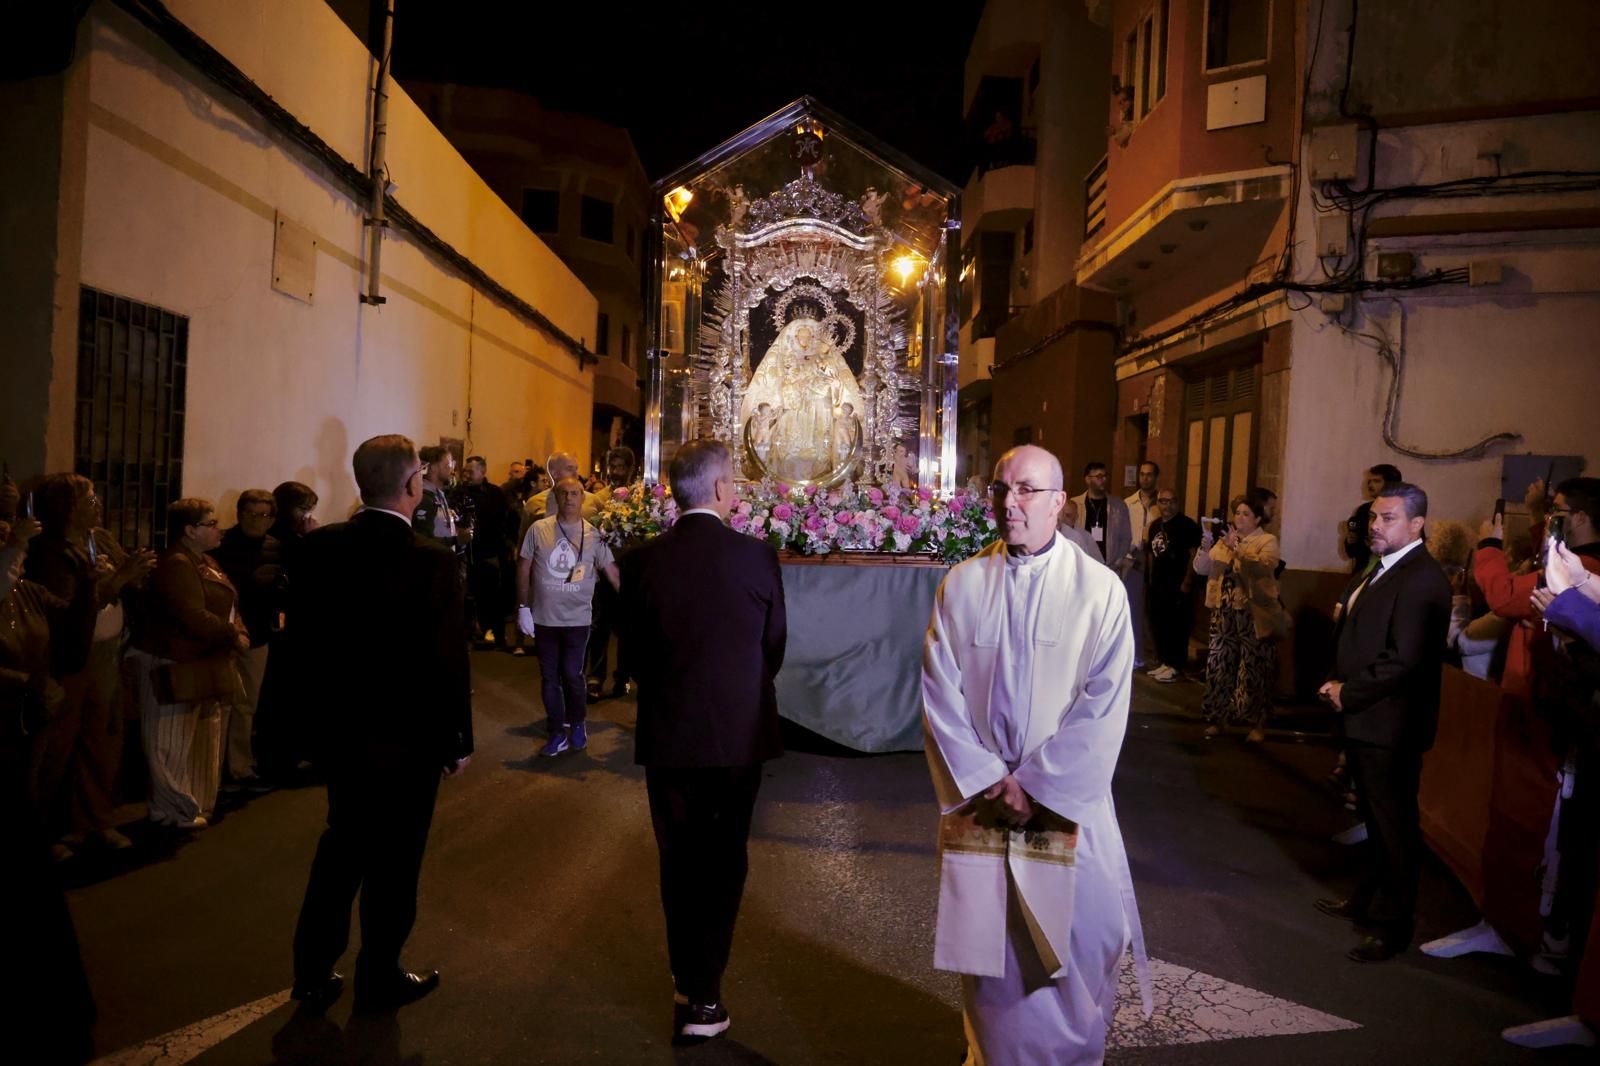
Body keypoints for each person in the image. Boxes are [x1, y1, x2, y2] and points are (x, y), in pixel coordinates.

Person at [923, 444, 1148, 1065]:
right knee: (995, 958)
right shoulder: (963, 583)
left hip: (1063, 802)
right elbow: (939, 693)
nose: (1008, 502)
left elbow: (1104, 704)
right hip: (987, 803)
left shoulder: (1099, 592)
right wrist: (990, 780)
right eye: (1000, 489)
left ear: (1058, 502)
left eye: (1025, 490)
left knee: (1081, 939)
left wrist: (1037, 785)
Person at [291, 434, 473, 1014]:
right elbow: (447, 657)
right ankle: (379, 973)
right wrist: (457, 739)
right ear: (412, 486)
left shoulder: (321, 549)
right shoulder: (431, 561)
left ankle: (312, 971)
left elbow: (303, 647)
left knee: (341, 847)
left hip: (342, 733)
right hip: (410, 739)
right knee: (395, 862)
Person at [618, 440, 787, 1044]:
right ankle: (706, 996)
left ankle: (686, 976)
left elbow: (631, 653)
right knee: (723, 860)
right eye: (734, 484)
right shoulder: (757, 557)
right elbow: (775, 647)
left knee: (678, 858)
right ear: (719, 490)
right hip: (738, 733)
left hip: (669, 732)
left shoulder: (641, 561)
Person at [1316, 482, 1452, 962]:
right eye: (1374, 516)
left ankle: (1395, 926)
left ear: (1416, 525)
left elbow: (1405, 659)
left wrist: (1348, 692)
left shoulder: (1422, 579)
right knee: (1374, 819)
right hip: (1366, 717)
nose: (1375, 525)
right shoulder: (1381, 569)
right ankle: (1367, 900)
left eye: (1388, 517)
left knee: (1394, 826)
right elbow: (1357, 633)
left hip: (1391, 725)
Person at [0, 503, 99, 1063]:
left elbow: (72, 630)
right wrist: (26, 682)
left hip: (19, 739)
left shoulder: (27, 594)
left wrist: (92, 583)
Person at [25, 474, 153, 858]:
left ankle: (95, 821)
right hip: (68, 659)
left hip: (107, 652)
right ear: (66, 505)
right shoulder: (50, 550)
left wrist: (135, 574)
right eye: (88, 496)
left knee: (103, 741)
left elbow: (124, 584)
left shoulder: (101, 537)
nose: (97, 501)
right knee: (57, 747)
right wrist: (118, 580)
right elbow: (67, 612)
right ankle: (45, 833)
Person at [128, 499, 248, 830]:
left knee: (200, 738)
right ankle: (172, 807)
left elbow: (228, 604)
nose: (218, 529)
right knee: (170, 740)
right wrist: (231, 634)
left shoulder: (206, 561)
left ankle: (195, 803)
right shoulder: (177, 564)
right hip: (176, 658)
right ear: (190, 530)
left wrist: (238, 628)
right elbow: (190, 613)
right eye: (211, 523)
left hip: (205, 657)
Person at [515, 476, 619, 757]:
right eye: (564, 493)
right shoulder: (539, 530)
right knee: (549, 677)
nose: (570, 498)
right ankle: (557, 731)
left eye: (575, 493)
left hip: (578, 619)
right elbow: (523, 567)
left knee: (572, 674)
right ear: (556, 497)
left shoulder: (595, 534)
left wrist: (635, 601)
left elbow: (611, 571)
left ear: (583, 498)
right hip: (545, 618)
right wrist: (523, 607)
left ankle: (577, 723)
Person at [207, 489, 282, 791]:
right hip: (225, 634)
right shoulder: (222, 545)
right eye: (250, 513)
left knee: (246, 703)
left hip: (259, 633)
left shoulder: (276, 548)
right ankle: (214, 769)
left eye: (263, 515)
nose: (256, 520)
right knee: (220, 702)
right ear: (239, 514)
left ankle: (239, 766)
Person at [1195, 495, 1280, 743]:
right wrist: (1206, 545)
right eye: (1237, 513)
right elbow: (1202, 569)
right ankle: (1218, 718)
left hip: (1252, 612)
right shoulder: (1225, 540)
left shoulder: (1267, 540)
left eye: (1245, 514)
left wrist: (1238, 548)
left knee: (1253, 667)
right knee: (1220, 664)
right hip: (1224, 610)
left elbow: (1263, 568)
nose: (1239, 518)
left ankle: (1256, 723)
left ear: (1256, 519)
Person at [456, 456, 514, 648]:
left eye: (470, 472)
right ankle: (470, 634)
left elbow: (507, 519)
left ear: (482, 472)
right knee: (469, 596)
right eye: (464, 471)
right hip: (467, 552)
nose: (465, 475)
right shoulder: (458, 493)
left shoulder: (495, 493)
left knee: (493, 595)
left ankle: (497, 634)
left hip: (490, 552)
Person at [1145, 490, 1201, 682]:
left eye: (1170, 501)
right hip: (1159, 584)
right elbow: (1151, 554)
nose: (1166, 506)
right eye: (1162, 501)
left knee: (1178, 625)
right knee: (1160, 622)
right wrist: (1151, 579)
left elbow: (1194, 553)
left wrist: (1187, 580)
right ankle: (1165, 662)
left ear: (1177, 503)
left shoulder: (1187, 526)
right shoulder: (1154, 526)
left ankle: (1176, 665)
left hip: (1178, 583)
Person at [1123, 461, 1161, 668]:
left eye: (1149, 475)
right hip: (1135, 558)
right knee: (1134, 607)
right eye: (1142, 474)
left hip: (1156, 559)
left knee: (1155, 608)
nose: (1145, 478)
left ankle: (1158, 655)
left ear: (1156, 477)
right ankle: (1136, 653)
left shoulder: (1163, 503)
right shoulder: (1128, 503)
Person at [1069, 461, 1131, 571]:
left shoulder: (1118, 505)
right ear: (1088, 479)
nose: (1103, 480)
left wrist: (1118, 561)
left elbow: (1126, 537)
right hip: (1082, 566)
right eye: (1099, 476)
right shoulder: (1075, 504)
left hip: (1109, 567)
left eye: (1105, 476)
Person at [1344, 465, 1401, 573]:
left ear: (1391, 484)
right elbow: (1351, 552)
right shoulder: (1363, 510)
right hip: (1362, 573)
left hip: (1390, 575)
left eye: (1376, 481)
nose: (1370, 485)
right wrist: (1351, 540)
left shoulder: (1405, 511)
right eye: (1369, 481)